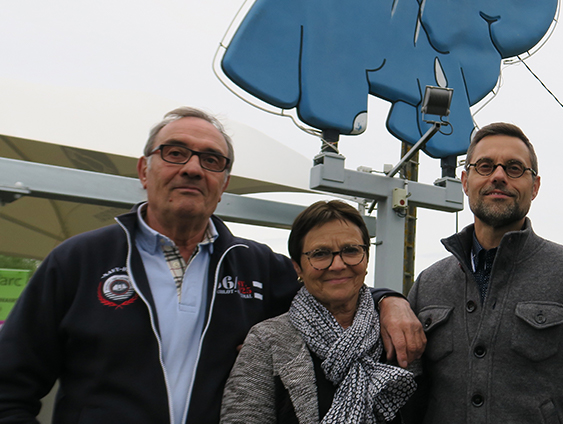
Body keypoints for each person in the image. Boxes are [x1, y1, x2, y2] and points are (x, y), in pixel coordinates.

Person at [0, 107, 423, 424]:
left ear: (224, 183)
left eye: (211, 160)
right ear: (144, 170)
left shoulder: (253, 264)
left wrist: (390, 301)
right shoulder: (78, 260)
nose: (192, 169)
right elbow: (10, 388)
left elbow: (334, 286)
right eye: (175, 153)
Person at [406, 122, 563, 423]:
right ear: (465, 182)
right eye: (485, 166)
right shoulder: (428, 284)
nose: (498, 176)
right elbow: (406, 393)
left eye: (514, 168)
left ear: (534, 187)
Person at [221, 200, 417, 423]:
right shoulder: (267, 341)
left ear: (366, 258)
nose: (337, 265)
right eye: (320, 254)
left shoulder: (399, 331)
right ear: (297, 267)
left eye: (351, 250)